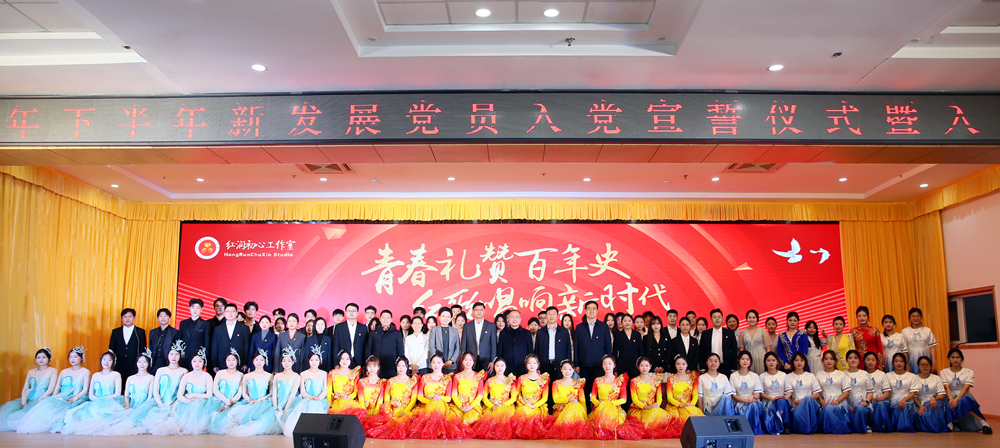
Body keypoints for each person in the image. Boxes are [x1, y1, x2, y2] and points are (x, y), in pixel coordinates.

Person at [17, 346, 91, 434]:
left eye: (75, 357)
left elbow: (85, 389)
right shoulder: (64, 371)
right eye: (70, 357)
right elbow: (57, 387)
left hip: (78, 397)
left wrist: (74, 398)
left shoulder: (85, 372)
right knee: (48, 407)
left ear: (81, 358)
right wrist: (53, 398)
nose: (72, 359)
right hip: (62, 397)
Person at [151, 347, 215, 435]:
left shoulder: (207, 376)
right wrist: (188, 401)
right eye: (194, 361)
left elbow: (209, 394)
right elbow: (180, 394)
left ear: (204, 363)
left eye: (200, 361)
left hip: (202, 403)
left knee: (198, 408)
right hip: (187, 402)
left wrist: (193, 395)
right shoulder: (187, 376)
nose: (197, 363)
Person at [408, 353, 474, 439]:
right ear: (430, 364)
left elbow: (448, 398)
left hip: (442, 407)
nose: (436, 365)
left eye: (439, 362)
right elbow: (419, 396)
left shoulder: (447, 378)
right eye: (434, 362)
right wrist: (431, 403)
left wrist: (440, 398)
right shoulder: (425, 377)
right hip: (425, 406)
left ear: (443, 364)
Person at [62, 350, 124, 435]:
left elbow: (117, 393)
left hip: (111, 402)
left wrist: (104, 400)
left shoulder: (116, 375)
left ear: (113, 362)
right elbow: (91, 394)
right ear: (101, 361)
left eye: (109, 360)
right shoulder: (95, 375)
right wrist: (98, 400)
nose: (106, 362)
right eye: (104, 359)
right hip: (96, 402)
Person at [0, 348, 57, 432]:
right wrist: (24, 402)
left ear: (49, 359)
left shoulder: (53, 371)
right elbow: (25, 388)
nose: (41, 359)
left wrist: (40, 399)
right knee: (15, 417)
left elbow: (51, 388)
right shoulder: (31, 372)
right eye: (38, 357)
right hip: (30, 399)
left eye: (44, 357)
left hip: (43, 399)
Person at [589, 355, 645, 440]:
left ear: (614, 365)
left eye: (610, 363)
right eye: (605, 364)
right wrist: (601, 404)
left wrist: (610, 403)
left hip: (615, 409)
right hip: (600, 409)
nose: (607, 366)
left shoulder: (619, 380)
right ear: (602, 366)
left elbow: (623, 399)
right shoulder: (597, 380)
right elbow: (593, 397)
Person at [137, 341, 187, 434]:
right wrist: (160, 404)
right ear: (167, 355)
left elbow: (182, 392)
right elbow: (155, 390)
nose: (174, 357)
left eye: (176, 354)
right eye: (171, 354)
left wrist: (174, 404)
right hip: (159, 402)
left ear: (180, 356)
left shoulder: (184, 371)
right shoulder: (160, 370)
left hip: (177, 403)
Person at [281, 345, 331, 437]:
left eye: (316, 360)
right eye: (312, 360)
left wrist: (319, 398)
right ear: (308, 361)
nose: (314, 362)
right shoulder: (303, 374)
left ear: (320, 361)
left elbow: (325, 390)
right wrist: (311, 397)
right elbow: (303, 392)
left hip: (320, 400)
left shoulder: (324, 373)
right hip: (307, 400)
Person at [222, 350, 275, 436]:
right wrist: (249, 399)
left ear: (265, 361)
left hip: (263, 402)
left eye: (261, 360)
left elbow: (271, 393)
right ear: (253, 361)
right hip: (250, 402)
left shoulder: (269, 376)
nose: (259, 362)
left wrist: (260, 400)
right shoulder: (247, 376)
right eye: (256, 360)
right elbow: (244, 393)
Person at [105, 349, 156, 436]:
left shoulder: (151, 378)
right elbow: (126, 396)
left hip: (145, 407)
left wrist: (141, 409)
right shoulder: (130, 378)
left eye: (144, 362)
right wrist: (127, 408)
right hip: (131, 406)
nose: (142, 364)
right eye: (139, 362)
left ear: (149, 363)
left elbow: (149, 397)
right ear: (136, 363)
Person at [940, 348, 991, 433]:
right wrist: (952, 399)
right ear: (949, 358)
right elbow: (947, 387)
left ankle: (984, 423)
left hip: (964, 395)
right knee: (949, 404)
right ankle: (952, 424)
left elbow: (966, 388)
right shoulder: (944, 372)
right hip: (950, 395)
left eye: (958, 357)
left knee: (963, 401)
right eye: (953, 357)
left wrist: (957, 400)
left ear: (962, 359)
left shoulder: (969, 372)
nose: (955, 360)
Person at [574, 300, 613, 410]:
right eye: (589, 308)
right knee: (585, 391)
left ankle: (599, 413)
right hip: (584, 364)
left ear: (597, 310)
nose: (591, 311)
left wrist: (608, 364)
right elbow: (576, 347)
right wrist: (576, 364)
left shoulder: (603, 327)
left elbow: (608, 346)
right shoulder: (579, 327)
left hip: (600, 365)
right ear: (585, 311)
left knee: (600, 391)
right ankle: (586, 413)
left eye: (594, 308)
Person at [367, 357, 418, 440]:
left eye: (403, 366)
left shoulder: (412, 381)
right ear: (396, 367)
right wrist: (389, 411)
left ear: (407, 367)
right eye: (399, 366)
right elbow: (387, 398)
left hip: (407, 410)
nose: (401, 368)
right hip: (392, 410)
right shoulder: (390, 381)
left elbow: (413, 400)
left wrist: (405, 412)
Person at [629, 357, 679, 439]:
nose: (644, 368)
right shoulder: (634, 381)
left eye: (646, 366)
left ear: (650, 367)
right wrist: (646, 407)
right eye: (642, 366)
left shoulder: (655, 380)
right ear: (638, 367)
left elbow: (659, 397)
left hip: (652, 408)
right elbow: (634, 399)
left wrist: (656, 405)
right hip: (638, 409)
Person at [472, 357, 517, 440]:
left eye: (502, 365)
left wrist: (503, 405)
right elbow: (484, 397)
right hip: (492, 407)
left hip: (506, 406)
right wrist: (492, 406)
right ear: (494, 367)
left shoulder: (510, 380)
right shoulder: (489, 381)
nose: (500, 368)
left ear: (505, 367)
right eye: (497, 365)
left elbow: (514, 397)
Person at [546, 360, 590, 440]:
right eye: (565, 369)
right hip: (560, 412)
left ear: (573, 370)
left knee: (573, 405)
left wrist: (584, 416)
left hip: (575, 413)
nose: (567, 371)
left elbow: (582, 401)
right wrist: (569, 399)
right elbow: (556, 400)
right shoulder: (556, 383)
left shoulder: (577, 383)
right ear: (561, 370)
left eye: (570, 369)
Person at [510, 354, 549, 440]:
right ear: (526, 364)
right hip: (524, 406)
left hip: (537, 407)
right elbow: (516, 394)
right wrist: (523, 404)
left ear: (538, 364)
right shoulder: (521, 378)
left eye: (534, 363)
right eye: (529, 363)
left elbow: (545, 397)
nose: (532, 365)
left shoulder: (543, 379)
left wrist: (534, 405)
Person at [206, 349, 244, 434]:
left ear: (237, 361)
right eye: (228, 360)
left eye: (233, 360)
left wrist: (230, 402)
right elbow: (215, 389)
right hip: (219, 400)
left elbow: (239, 393)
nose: (231, 362)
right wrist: (225, 400)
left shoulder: (241, 375)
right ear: (225, 361)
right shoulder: (220, 373)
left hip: (233, 402)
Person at [815, 350, 851, 434]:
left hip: (840, 402)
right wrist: (822, 402)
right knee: (826, 408)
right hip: (824, 401)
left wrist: (837, 400)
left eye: (831, 359)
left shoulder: (841, 374)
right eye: (826, 359)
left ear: (835, 361)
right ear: (822, 361)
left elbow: (846, 391)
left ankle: (838, 429)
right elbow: (817, 392)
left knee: (828, 409)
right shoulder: (819, 374)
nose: (829, 361)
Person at [269, 347, 302, 437]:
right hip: (278, 403)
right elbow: (274, 393)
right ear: (281, 362)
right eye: (284, 361)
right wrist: (275, 406)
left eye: (289, 361)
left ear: (293, 362)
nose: (286, 363)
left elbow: (293, 394)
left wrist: (286, 408)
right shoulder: (277, 376)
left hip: (290, 403)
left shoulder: (296, 376)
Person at [729, 351, 764, 435]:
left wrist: (752, 397)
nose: (745, 361)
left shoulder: (754, 376)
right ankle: (744, 430)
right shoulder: (733, 376)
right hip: (739, 402)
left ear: (750, 361)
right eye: (743, 359)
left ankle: (753, 430)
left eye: (747, 359)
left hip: (752, 401)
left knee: (753, 405)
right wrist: (745, 400)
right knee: (746, 406)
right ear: (738, 360)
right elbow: (733, 395)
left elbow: (758, 394)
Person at [785, 352, 821, 434]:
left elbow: (817, 394)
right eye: (796, 360)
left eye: (801, 360)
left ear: (805, 362)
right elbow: (786, 394)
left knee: (808, 398)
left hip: (810, 404)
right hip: (795, 405)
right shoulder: (788, 377)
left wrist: (803, 400)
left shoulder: (811, 376)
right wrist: (793, 405)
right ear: (793, 362)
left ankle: (810, 428)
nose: (799, 362)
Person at [664, 355, 704, 424]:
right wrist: (679, 405)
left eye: (683, 364)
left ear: (687, 365)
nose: (681, 366)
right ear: (675, 365)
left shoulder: (692, 378)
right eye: (678, 364)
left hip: (688, 406)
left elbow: (695, 394)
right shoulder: (670, 379)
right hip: (674, 407)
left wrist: (691, 404)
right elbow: (669, 397)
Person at [535, 306, 572, 381]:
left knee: (559, 387)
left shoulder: (564, 332)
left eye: (554, 314)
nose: (551, 316)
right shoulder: (540, 332)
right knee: (545, 386)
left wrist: (569, 366)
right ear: (546, 316)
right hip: (544, 365)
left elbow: (568, 350)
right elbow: (537, 350)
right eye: (549, 314)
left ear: (557, 316)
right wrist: (537, 367)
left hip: (560, 366)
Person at [211, 303, 251, 373]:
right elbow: (214, 347)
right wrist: (215, 364)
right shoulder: (218, 329)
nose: (230, 313)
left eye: (232, 311)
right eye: (227, 311)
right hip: (222, 363)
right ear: (224, 313)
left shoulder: (244, 328)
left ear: (236, 313)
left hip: (239, 364)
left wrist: (245, 363)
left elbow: (247, 347)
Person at [365, 310, 404, 378]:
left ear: (391, 320)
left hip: (392, 367)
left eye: (388, 317)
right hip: (376, 368)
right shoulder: (373, 333)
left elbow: (400, 350)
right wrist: (367, 366)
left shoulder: (397, 333)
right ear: (380, 319)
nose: (385, 319)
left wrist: (399, 366)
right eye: (383, 317)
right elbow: (368, 350)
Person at [110, 308, 146, 381]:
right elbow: (111, 349)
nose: (127, 319)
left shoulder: (140, 332)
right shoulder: (116, 332)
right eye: (125, 317)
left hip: (134, 365)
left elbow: (142, 349)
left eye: (130, 316)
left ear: (134, 318)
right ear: (122, 318)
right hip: (119, 365)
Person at [326, 351, 366, 418]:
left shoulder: (354, 374)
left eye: (347, 359)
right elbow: (329, 390)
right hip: (336, 401)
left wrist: (349, 397)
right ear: (339, 360)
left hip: (350, 401)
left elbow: (356, 390)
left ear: (350, 360)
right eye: (342, 359)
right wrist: (329, 404)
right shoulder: (332, 373)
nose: (345, 361)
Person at [758, 352, 791, 435]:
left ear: (777, 362)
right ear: (765, 363)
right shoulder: (762, 376)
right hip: (768, 402)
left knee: (782, 402)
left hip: (782, 401)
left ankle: (785, 426)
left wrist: (784, 398)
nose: (771, 362)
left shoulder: (783, 375)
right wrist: (772, 399)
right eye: (768, 360)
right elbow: (760, 393)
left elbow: (789, 391)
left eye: (773, 360)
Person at [450, 352, 486, 426]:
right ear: (462, 361)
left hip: (473, 406)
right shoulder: (457, 376)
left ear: (473, 362)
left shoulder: (478, 376)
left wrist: (471, 406)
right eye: (466, 360)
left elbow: (480, 395)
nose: (468, 362)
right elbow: (454, 394)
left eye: (470, 360)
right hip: (459, 405)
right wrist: (461, 406)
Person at [914, 356, 948, 433]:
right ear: (918, 366)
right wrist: (920, 406)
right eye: (922, 365)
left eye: (927, 364)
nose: (925, 367)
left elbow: (942, 395)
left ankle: (936, 427)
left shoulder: (936, 378)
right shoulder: (914, 378)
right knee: (923, 414)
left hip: (934, 402)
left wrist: (934, 398)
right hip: (920, 404)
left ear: (931, 366)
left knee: (934, 406)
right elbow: (914, 396)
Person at [843, 350, 874, 434]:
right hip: (848, 401)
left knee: (860, 409)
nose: (853, 360)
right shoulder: (843, 374)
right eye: (850, 358)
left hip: (862, 401)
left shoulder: (864, 374)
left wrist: (866, 401)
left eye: (855, 358)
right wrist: (847, 405)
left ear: (859, 360)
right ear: (846, 360)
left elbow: (870, 391)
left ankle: (864, 426)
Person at [886, 353, 919, 432]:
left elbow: (913, 393)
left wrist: (904, 400)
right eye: (896, 361)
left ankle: (903, 427)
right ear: (893, 363)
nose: (899, 363)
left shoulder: (912, 376)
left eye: (901, 361)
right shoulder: (887, 375)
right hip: (892, 400)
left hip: (907, 400)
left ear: (905, 363)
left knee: (904, 406)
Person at [461, 302, 497, 372]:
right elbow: (463, 344)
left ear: (484, 311)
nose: (479, 312)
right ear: (473, 311)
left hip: (486, 359)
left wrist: (492, 361)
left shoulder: (491, 326)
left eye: (481, 310)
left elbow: (493, 345)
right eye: (477, 310)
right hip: (470, 360)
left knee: (485, 377)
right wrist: (463, 360)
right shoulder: (467, 326)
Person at [497, 309, 533, 377]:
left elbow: (530, 352)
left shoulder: (527, 333)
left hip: (523, 367)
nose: (514, 319)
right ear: (508, 319)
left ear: (520, 319)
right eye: (512, 317)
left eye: (516, 317)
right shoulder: (503, 333)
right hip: (507, 367)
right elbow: (500, 352)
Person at [179, 299, 212, 370]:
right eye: (193, 307)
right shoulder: (183, 323)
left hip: (198, 358)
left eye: (197, 308)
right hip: (184, 357)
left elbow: (207, 342)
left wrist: (205, 357)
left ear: (201, 309)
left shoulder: (206, 324)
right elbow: (179, 340)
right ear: (189, 308)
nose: (195, 310)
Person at [902, 308, 937, 374]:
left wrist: (934, 363)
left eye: (918, 316)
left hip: (926, 354)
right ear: (910, 318)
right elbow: (904, 350)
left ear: (921, 317)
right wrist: (906, 364)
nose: (916, 318)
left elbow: (932, 347)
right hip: (912, 357)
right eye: (913, 316)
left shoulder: (927, 330)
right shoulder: (905, 331)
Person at [357, 357, 387, 435]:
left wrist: (376, 412)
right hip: (363, 410)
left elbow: (380, 399)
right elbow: (361, 398)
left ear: (378, 367)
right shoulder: (361, 382)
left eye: (374, 366)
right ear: (366, 367)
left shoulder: (382, 382)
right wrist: (364, 412)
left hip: (377, 411)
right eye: (369, 366)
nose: (372, 368)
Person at [864, 351, 893, 432]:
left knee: (881, 404)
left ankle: (881, 426)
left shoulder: (882, 374)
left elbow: (887, 391)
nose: (870, 362)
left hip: (879, 398)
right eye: (868, 360)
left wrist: (881, 398)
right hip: (866, 399)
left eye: (873, 360)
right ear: (863, 361)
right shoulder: (862, 374)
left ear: (876, 361)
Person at [332, 303, 368, 368]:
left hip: (359, 361)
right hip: (343, 361)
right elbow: (335, 346)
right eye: (349, 311)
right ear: (346, 313)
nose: (351, 312)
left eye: (354, 311)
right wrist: (336, 363)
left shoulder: (363, 328)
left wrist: (365, 364)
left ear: (357, 313)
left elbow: (365, 347)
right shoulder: (339, 327)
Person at [851, 306, 885, 371]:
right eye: (859, 316)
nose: (862, 318)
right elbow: (852, 348)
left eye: (864, 315)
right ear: (857, 318)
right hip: (860, 360)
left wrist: (881, 364)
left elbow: (879, 348)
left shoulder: (874, 330)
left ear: (868, 317)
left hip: (873, 359)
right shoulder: (853, 331)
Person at [429, 308, 461, 374]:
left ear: (451, 318)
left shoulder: (454, 330)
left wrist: (451, 361)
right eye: (443, 316)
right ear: (439, 317)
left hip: (451, 365)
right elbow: (431, 346)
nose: (445, 318)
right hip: (437, 365)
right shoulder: (434, 330)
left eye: (448, 316)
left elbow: (457, 347)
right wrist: (439, 361)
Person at [613, 314, 644, 379]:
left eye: (629, 321)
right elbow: (615, 352)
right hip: (622, 365)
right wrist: (615, 368)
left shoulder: (637, 334)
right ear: (622, 323)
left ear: (632, 322)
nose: (627, 323)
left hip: (635, 365)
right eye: (625, 321)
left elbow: (641, 351)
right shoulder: (618, 335)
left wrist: (641, 364)